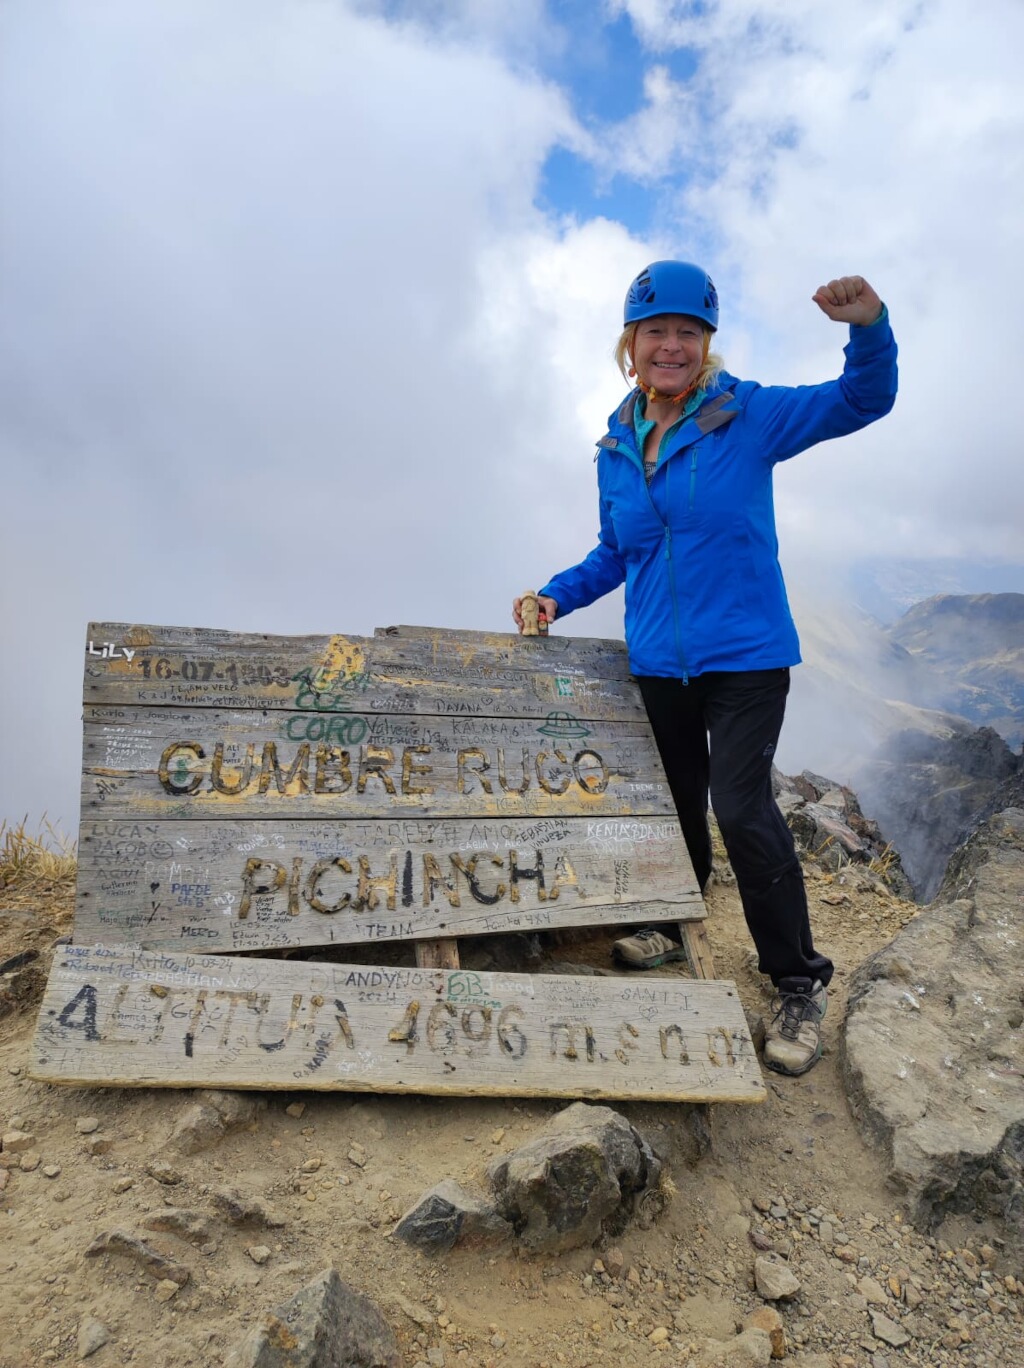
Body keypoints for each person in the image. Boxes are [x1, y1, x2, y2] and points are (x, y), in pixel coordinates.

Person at [512, 260, 897, 1076]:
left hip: (748, 657)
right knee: (678, 803)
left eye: (689, 332)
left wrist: (869, 328)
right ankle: (676, 920)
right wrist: (555, 596)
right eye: (657, 331)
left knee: (742, 807)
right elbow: (619, 552)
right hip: (659, 662)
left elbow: (861, 401)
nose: (673, 345)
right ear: (632, 343)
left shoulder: (746, 415)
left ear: (707, 344)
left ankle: (796, 979)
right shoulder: (617, 444)